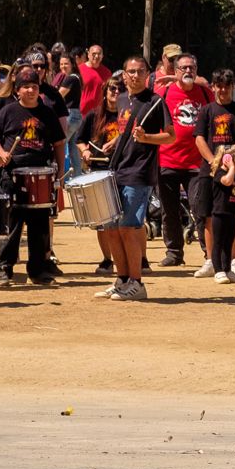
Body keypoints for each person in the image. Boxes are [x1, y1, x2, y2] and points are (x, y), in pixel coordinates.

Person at [98, 56, 171, 302]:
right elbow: (125, 130)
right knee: (112, 229)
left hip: (139, 172)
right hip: (118, 168)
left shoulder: (155, 101)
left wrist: (147, 137)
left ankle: (137, 283)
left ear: (149, 74)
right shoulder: (121, 99)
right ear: (124, 75)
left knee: (129, 228)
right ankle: (122, 279)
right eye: (131, 71)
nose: (135, 75)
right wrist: (114, 142)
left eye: (140, 71)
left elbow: (170, 136)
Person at [0, 64, 65, 286]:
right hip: (13, 173)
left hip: (41, 173)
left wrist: (59, 171)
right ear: (17, 90)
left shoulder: (47, 113)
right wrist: (1, 152)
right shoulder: (7, 111)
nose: (30, 91)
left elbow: (59, 143)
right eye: (26, 87)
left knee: (40, 225)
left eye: (34, 86)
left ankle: (38, 270)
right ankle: (4, 268)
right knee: (12, 223)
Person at [154, 51, 211, 270]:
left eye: (192, 68)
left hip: (197, 163)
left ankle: (209, 251)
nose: (188, 71)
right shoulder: (164, 93)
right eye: (183, 68)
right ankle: (174, 252)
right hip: (167, 160)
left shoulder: (205, 94)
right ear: (175, 71)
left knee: (200, 208)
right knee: (169, 211)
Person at [196, 67, 235, 284]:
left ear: (232, 87)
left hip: (234, 170)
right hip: (209, 171)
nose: (222, 90)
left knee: (233, 216)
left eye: (226, 86)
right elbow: (199, 138)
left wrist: (232, 154)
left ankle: (231, 262)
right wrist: (213, 161)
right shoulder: (207, 111)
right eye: (218, 85)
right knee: (209, 216)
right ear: (213, 86)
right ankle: (211, 260)